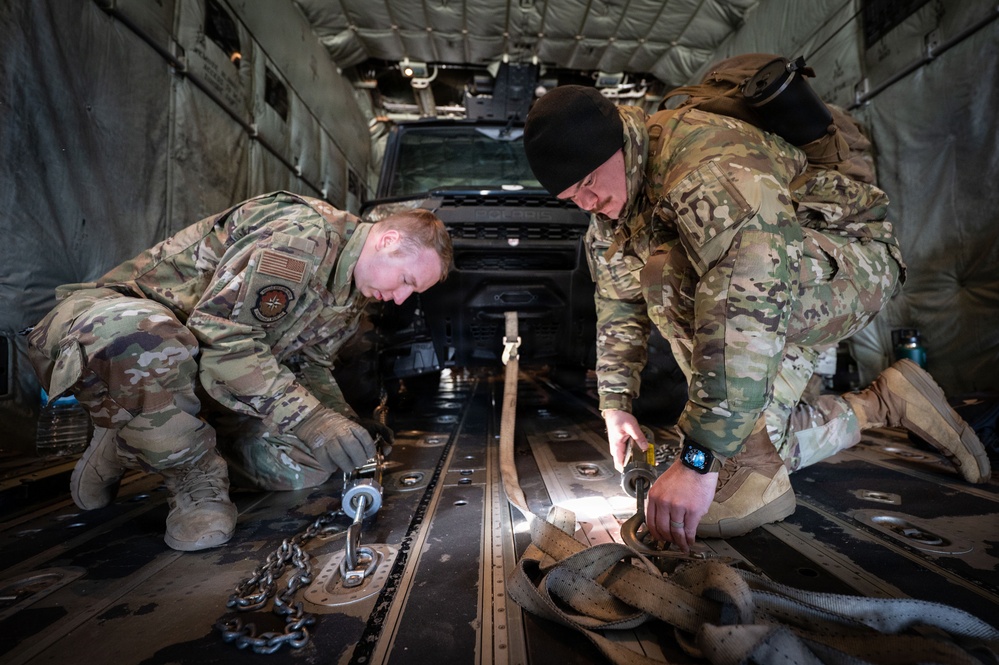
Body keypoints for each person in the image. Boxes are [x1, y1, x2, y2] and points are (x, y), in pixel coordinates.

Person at [522, 83, 991, 552]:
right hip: (771, 287)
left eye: (589, 184)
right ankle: (886, 402)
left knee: (669, 275)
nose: (587, 203)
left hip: (850, 266)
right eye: (571, 197)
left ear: (621, 143)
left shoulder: (705, 163)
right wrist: (616, 404)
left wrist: (698, 461)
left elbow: (748, 296)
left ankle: (741, 460)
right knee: (770, 448)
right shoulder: (608, 212)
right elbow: (618, 303)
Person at [27, 190, 453, 552]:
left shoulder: (352, 290)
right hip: (110, 327)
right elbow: (222, 337)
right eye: (407, 281)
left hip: (196, 371)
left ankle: (130, 440)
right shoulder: (302, 236)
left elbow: (309, 362)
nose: (400, 299)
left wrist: (341, 422)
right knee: (146, 337)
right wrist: (311, 418)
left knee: (308, 462)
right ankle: (192, 478)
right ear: (389, 240)